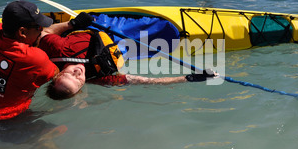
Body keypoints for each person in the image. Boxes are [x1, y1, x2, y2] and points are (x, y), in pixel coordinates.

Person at [38, 13, 217, 100]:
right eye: (78, 82)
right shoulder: (99, 78)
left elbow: (45, 32)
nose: (78, 74)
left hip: (100, 27)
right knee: (165, 36)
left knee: (162, 28)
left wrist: (72, 24)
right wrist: (189, 78)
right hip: (118, 47)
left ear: (59, 75)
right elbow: (142, 81)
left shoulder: (58, 49)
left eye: (70, 75)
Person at [0, 0, 72, 121]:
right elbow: (59, 75)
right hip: (5, 119)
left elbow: (40, 35)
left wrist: (71, 24)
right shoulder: (34, 59)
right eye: (39, 27)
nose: (41, 30)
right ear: (22, 32)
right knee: (58, 130)